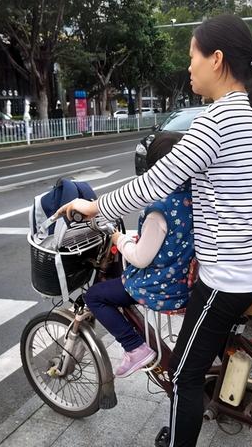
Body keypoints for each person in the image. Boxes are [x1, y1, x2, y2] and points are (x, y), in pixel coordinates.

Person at [59, 13, 252, 446]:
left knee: (183, 371)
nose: (189, 67)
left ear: (216, 60)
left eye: (192, 57)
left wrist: (93, 207)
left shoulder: (216, 120)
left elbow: (154, 184)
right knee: (203, 346)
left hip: (233, 276)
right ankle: (222, 391)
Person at [84, 132, 194, 378]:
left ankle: (135, 348)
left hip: (163, 286)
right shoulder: (195, 195)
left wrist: (119, 239)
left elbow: (141, 259)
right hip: (187, 280)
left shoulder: (160, 210)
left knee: (95, 296)